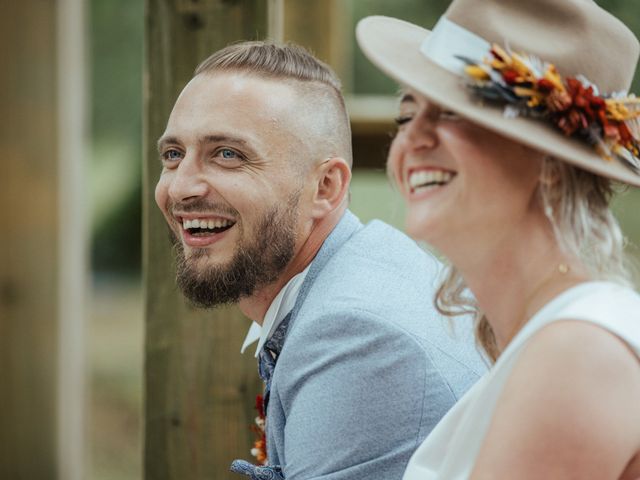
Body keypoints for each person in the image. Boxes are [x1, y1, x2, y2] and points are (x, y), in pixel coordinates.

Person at [154, 41, 486, 480]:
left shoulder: (359, 339)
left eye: (228, 155)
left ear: (326, 186)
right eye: (173, 155)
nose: (181, 188)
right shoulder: (371, 269)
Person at [356, 0, 640, 478]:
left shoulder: (577, 352)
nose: (414, 139)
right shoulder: (541, 342)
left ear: (550, 162)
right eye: (407, 114)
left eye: (454, 113)